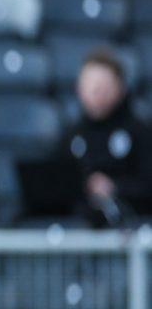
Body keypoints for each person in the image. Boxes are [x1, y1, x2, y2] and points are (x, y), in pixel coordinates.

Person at [63, 48, 152, 227]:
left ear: (120, 88)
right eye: (90, 85)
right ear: (79, 89)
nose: (97, 92)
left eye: (104, 85)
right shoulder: (72, 134)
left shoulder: (140, 132)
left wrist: (115, 187)